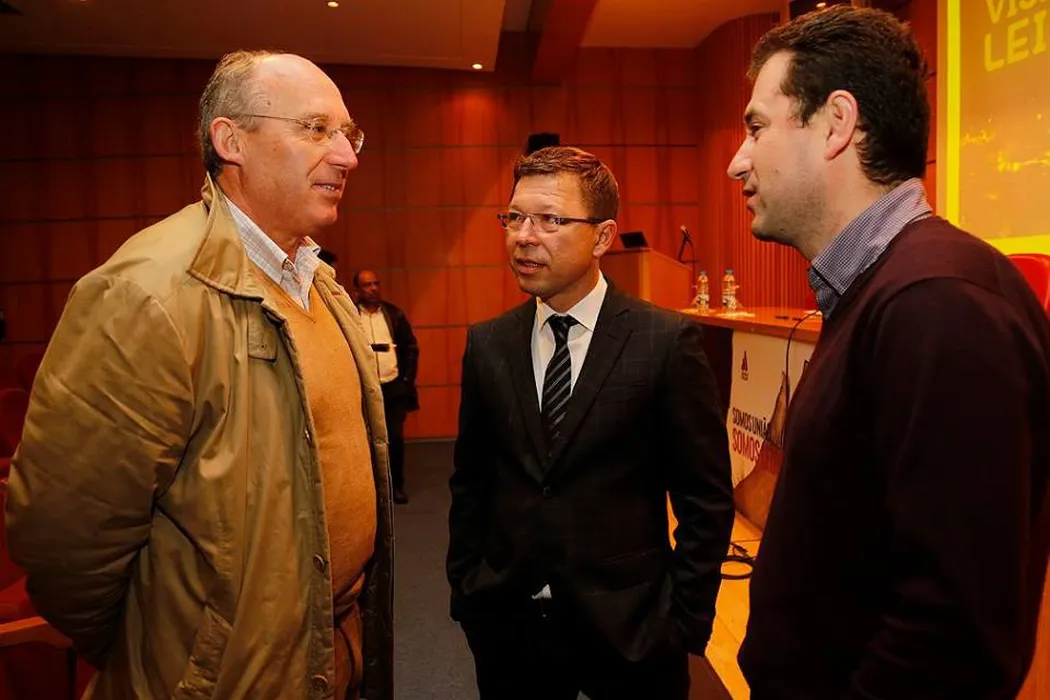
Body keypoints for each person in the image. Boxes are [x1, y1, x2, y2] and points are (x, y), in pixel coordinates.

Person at [5, 50, 394, 700]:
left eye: (348, 134)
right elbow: (65, 542)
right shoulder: (147, 294)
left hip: (333, 652)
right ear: (230, 141)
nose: (346, 156)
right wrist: (173, 652)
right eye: (316, 129)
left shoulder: (319, 282)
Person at [727, 7, 1050, 699]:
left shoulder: (939, 304)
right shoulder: (888, 289)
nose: (737, 161)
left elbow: (950, 640)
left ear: (836, 124)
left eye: (756, 127)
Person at [447, 145, 734, 700]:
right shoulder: (488, 344)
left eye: (550, 220)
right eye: (515, 217)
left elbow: (706, 500)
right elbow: (471, 483)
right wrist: (468, 591)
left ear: (602, 237)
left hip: (633, 632)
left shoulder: (665, 342)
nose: (524, 236)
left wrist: (684, 623)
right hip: (510, 631)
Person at [354, 269, 419, 504]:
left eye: (375, 284)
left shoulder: (394, 314)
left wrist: (406, 380)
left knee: (395, 438)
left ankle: (396, 486)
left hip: (393, 387)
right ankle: (371, 491)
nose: (373, 289)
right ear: (357, 290)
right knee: (367, 442)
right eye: (367, 285)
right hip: (364, 390)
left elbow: (411, 348)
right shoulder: (350, 315)